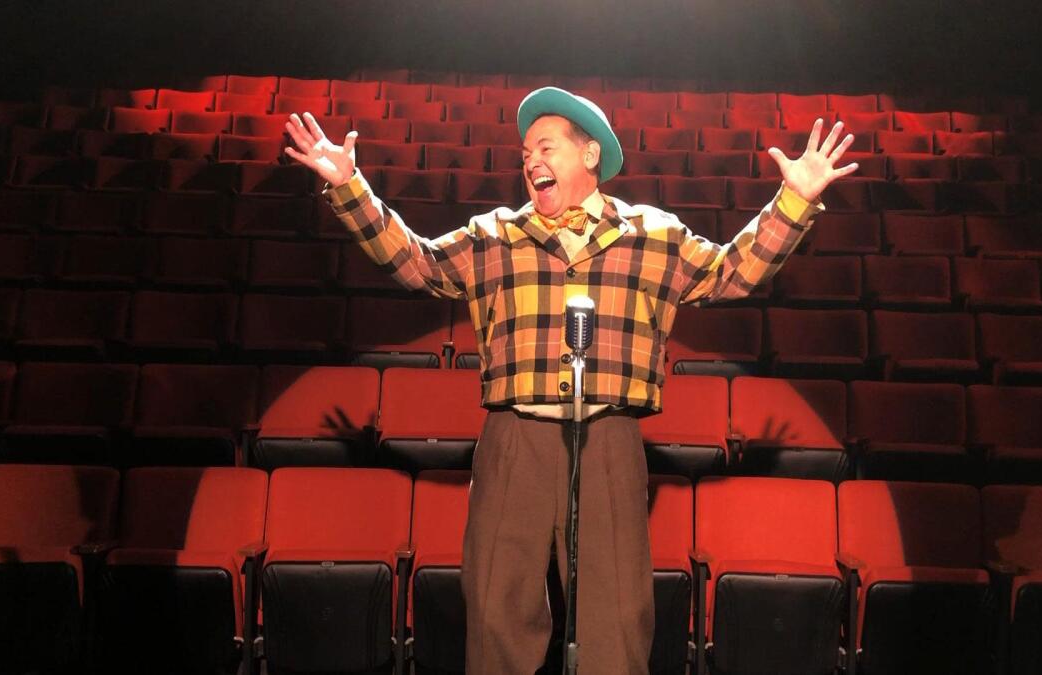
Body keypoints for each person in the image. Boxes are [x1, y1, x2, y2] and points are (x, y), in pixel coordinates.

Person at [284, 86, 858, 675]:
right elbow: (417, 263)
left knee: (616, 616)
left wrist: (794, 200)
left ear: (589, 156)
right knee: (495, 605)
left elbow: (730, 273)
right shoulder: (495, 236)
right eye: (525, 151)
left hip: (609, 437)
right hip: (515, 439)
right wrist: (349, 188)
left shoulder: (653, 234)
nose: (531, 158)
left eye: (545, 145)